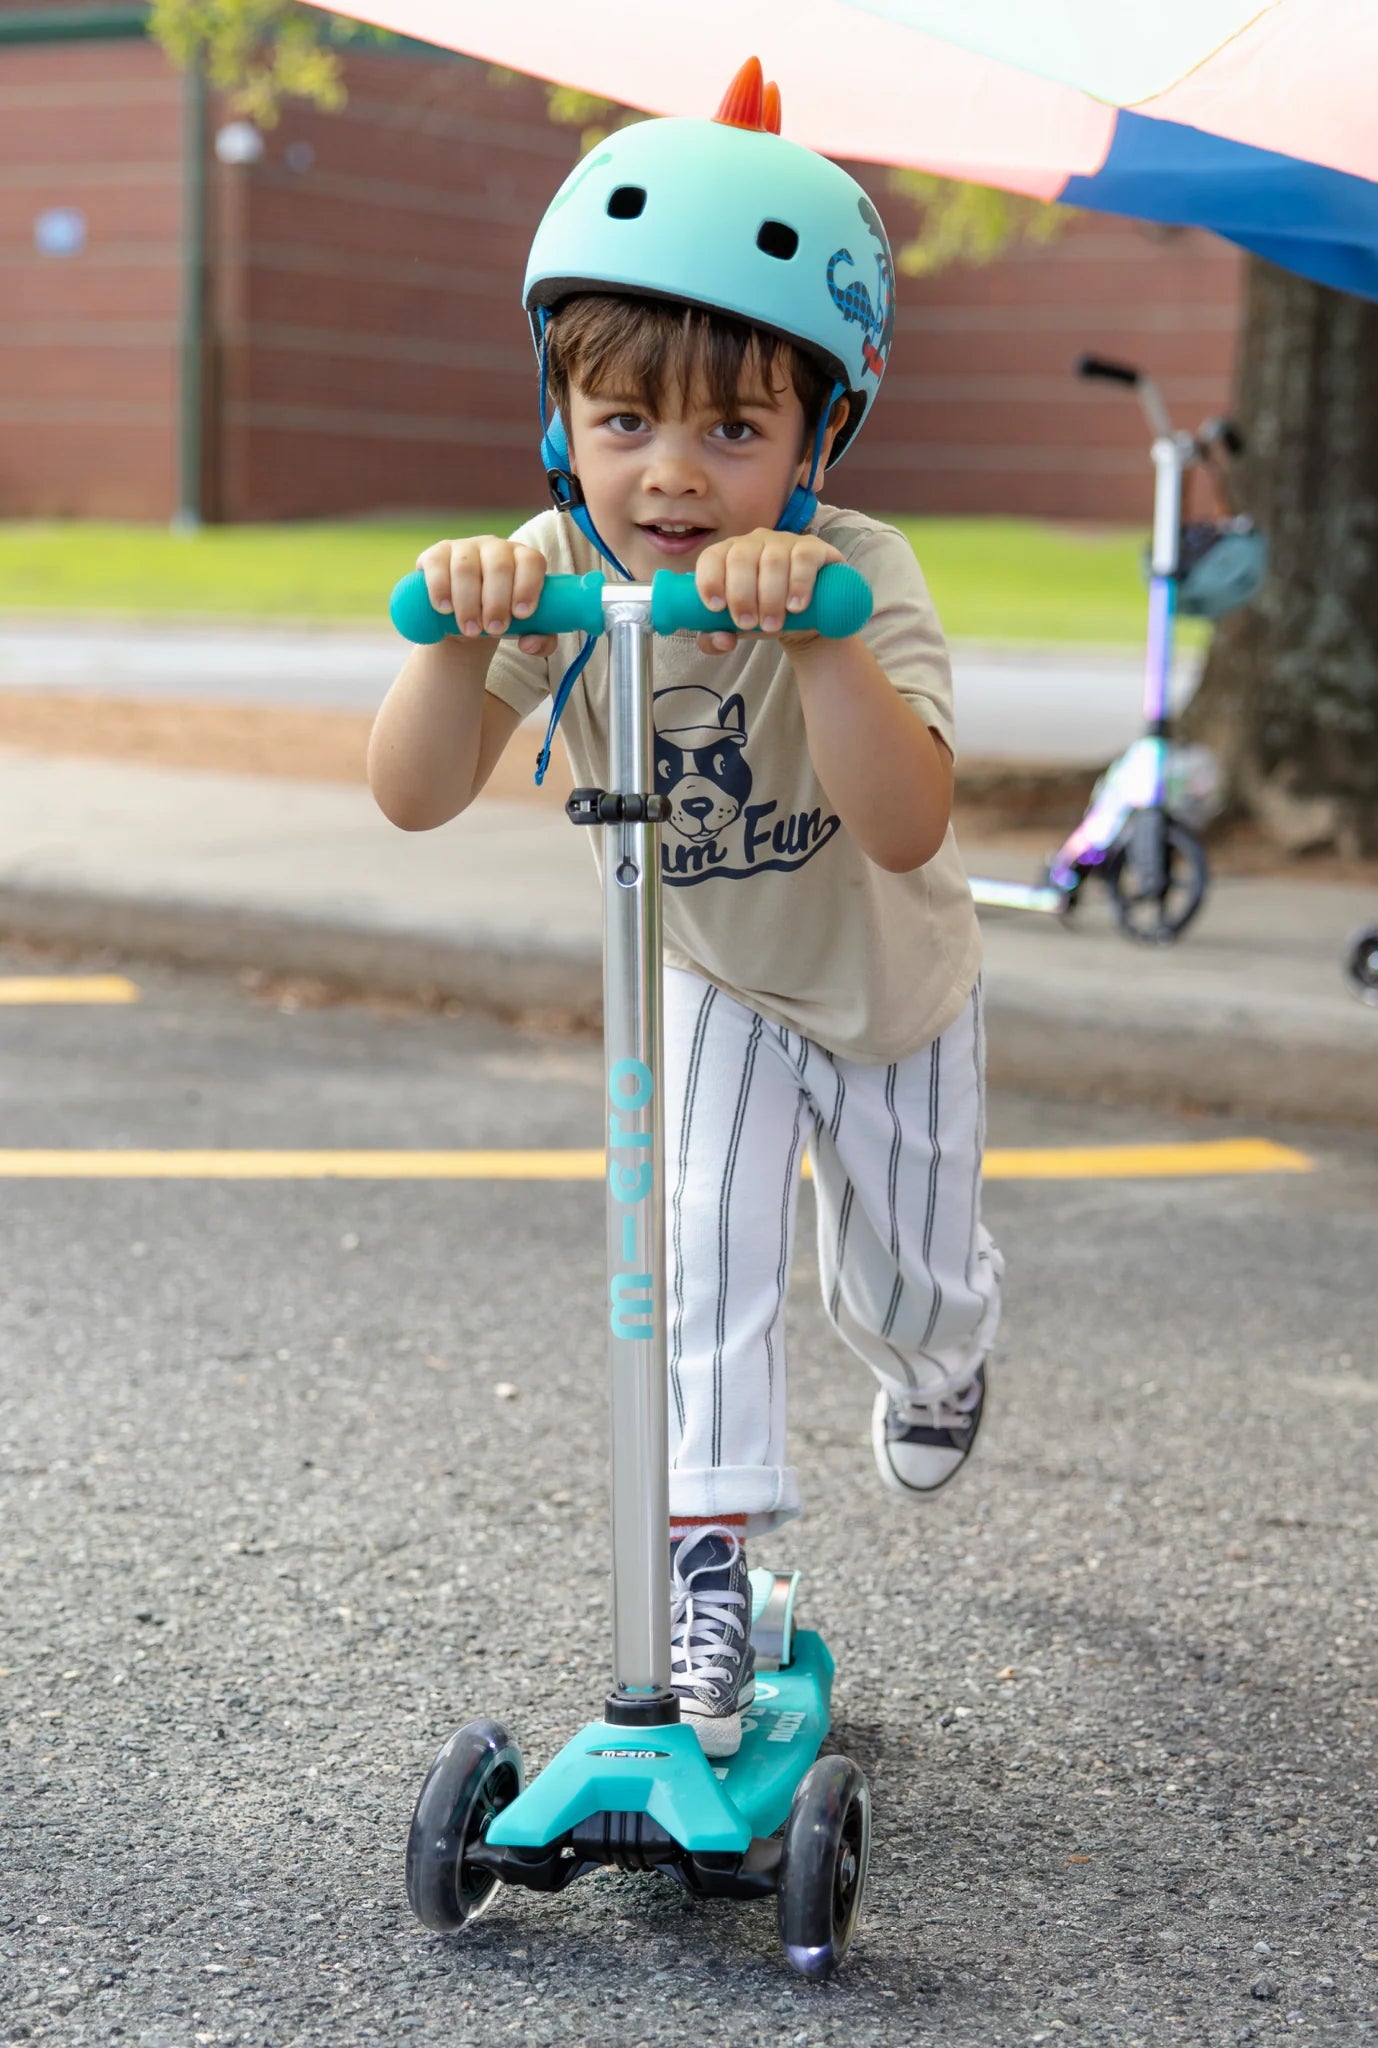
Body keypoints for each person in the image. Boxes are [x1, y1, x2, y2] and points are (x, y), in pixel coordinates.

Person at [368, 58, 1003, 1759]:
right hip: (707, 973)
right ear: (559, 424)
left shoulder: (860, 576)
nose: (669, 472)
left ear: (818, 440)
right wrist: (446, 630)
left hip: (886, 990)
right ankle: (704, 1566)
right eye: (624, 421)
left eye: (734, 428)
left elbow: (903, 820)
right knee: (692, 1246)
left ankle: (943, 1355)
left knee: (910, 1288)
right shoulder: (550, 574)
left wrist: (821, 635)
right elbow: (413, 793)